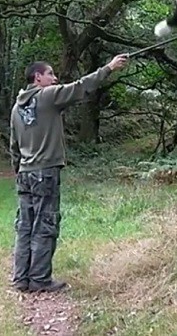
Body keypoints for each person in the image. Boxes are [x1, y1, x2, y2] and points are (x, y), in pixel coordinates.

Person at [8, 53, 130, 292]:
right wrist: (109, 68)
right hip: (45, 171)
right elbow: (81, 87)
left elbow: (13, 145)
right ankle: (40, 280)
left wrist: (19, 170)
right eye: (50, 73)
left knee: (25, 226)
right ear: (38, 77)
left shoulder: (16, 108)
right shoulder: (48, 96)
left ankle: (21, 279)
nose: (54, 78)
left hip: (25, 173)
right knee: (45, 224)